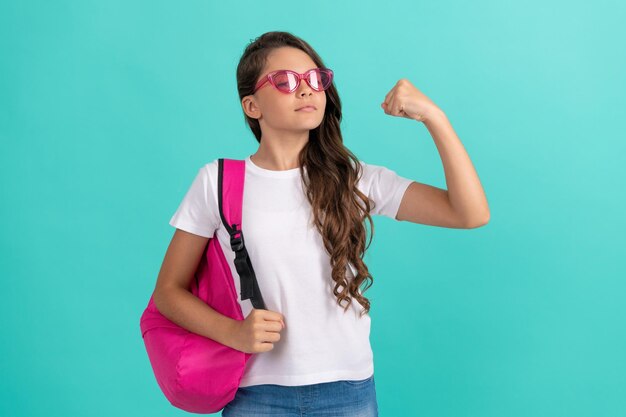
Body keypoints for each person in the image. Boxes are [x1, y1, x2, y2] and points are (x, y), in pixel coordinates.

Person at [152, 31, 489, 417]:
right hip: (257, 395)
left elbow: (469, 213)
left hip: (348, 390)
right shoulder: (219, 182)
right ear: (252, 105)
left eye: (315, 80)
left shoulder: (354, 179)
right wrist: (233, 333)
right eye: (285, 81)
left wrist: (435, 117)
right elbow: (168, 292)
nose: (307, 90)